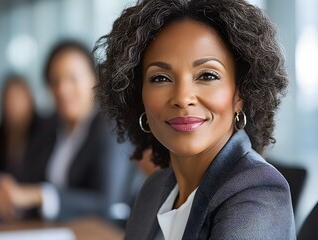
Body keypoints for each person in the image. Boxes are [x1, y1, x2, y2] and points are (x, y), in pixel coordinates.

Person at [93, 0, 296, 239]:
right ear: (139, 96)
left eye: (207, 75)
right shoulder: (152, 190)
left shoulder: (258, 192)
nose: (182, 98)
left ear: (241, 94)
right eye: (160, 78)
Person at [0, 40, 136, 223]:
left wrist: (41, 195)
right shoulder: (50, 127)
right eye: (55, 81)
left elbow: (108, 201)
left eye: (72, 78)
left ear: (94, 79)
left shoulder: (110, 128)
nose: (63, 89)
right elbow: (26, 181)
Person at [0, 75, 40, 180]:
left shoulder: (43, 132)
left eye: (18, 98)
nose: (13, 105)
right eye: (9, 99)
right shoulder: (2, 134)